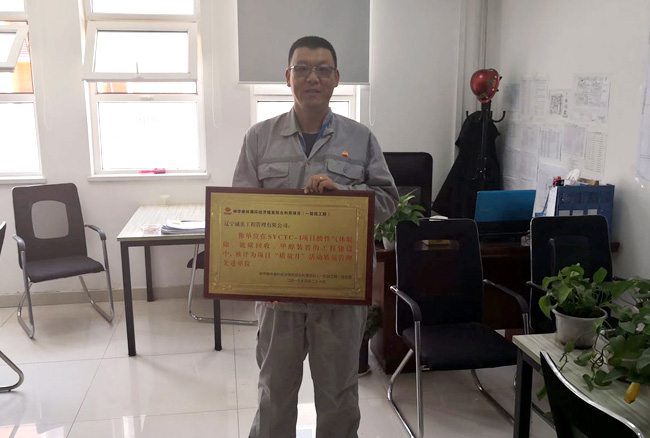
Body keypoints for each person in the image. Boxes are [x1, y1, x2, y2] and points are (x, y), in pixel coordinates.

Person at [232, 35, 399, 438]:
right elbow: (239, 212)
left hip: (339, 295)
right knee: (274, 394)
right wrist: (257, 281)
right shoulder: (259, 137)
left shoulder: (361, 138)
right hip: (278, 297)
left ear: (337, 78)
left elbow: (388, 201)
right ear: (287, 76)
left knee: (338, 397)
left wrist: (346, 198)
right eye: (302, 68)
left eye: (323, 69)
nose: (313, 77)